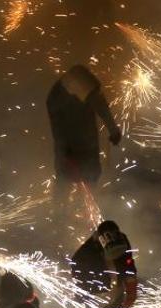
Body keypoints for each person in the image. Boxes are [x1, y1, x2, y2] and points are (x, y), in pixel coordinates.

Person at [46, 65, 121, 213]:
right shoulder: (55, 99)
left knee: (90, 177)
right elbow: (58, 131)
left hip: (87, 143)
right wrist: (66, 153)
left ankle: (88, 211)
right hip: (69, 147)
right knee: (64, 179)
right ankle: (59, 215)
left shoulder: (82, 89)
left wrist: (113, 128)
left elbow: (100, 104)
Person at [70, 220, 138, 308]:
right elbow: (80, 291)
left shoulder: (122, 241)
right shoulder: (82, 258)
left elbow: (129, 265)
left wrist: (131, 290)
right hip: (93, 302)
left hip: (115, 298)